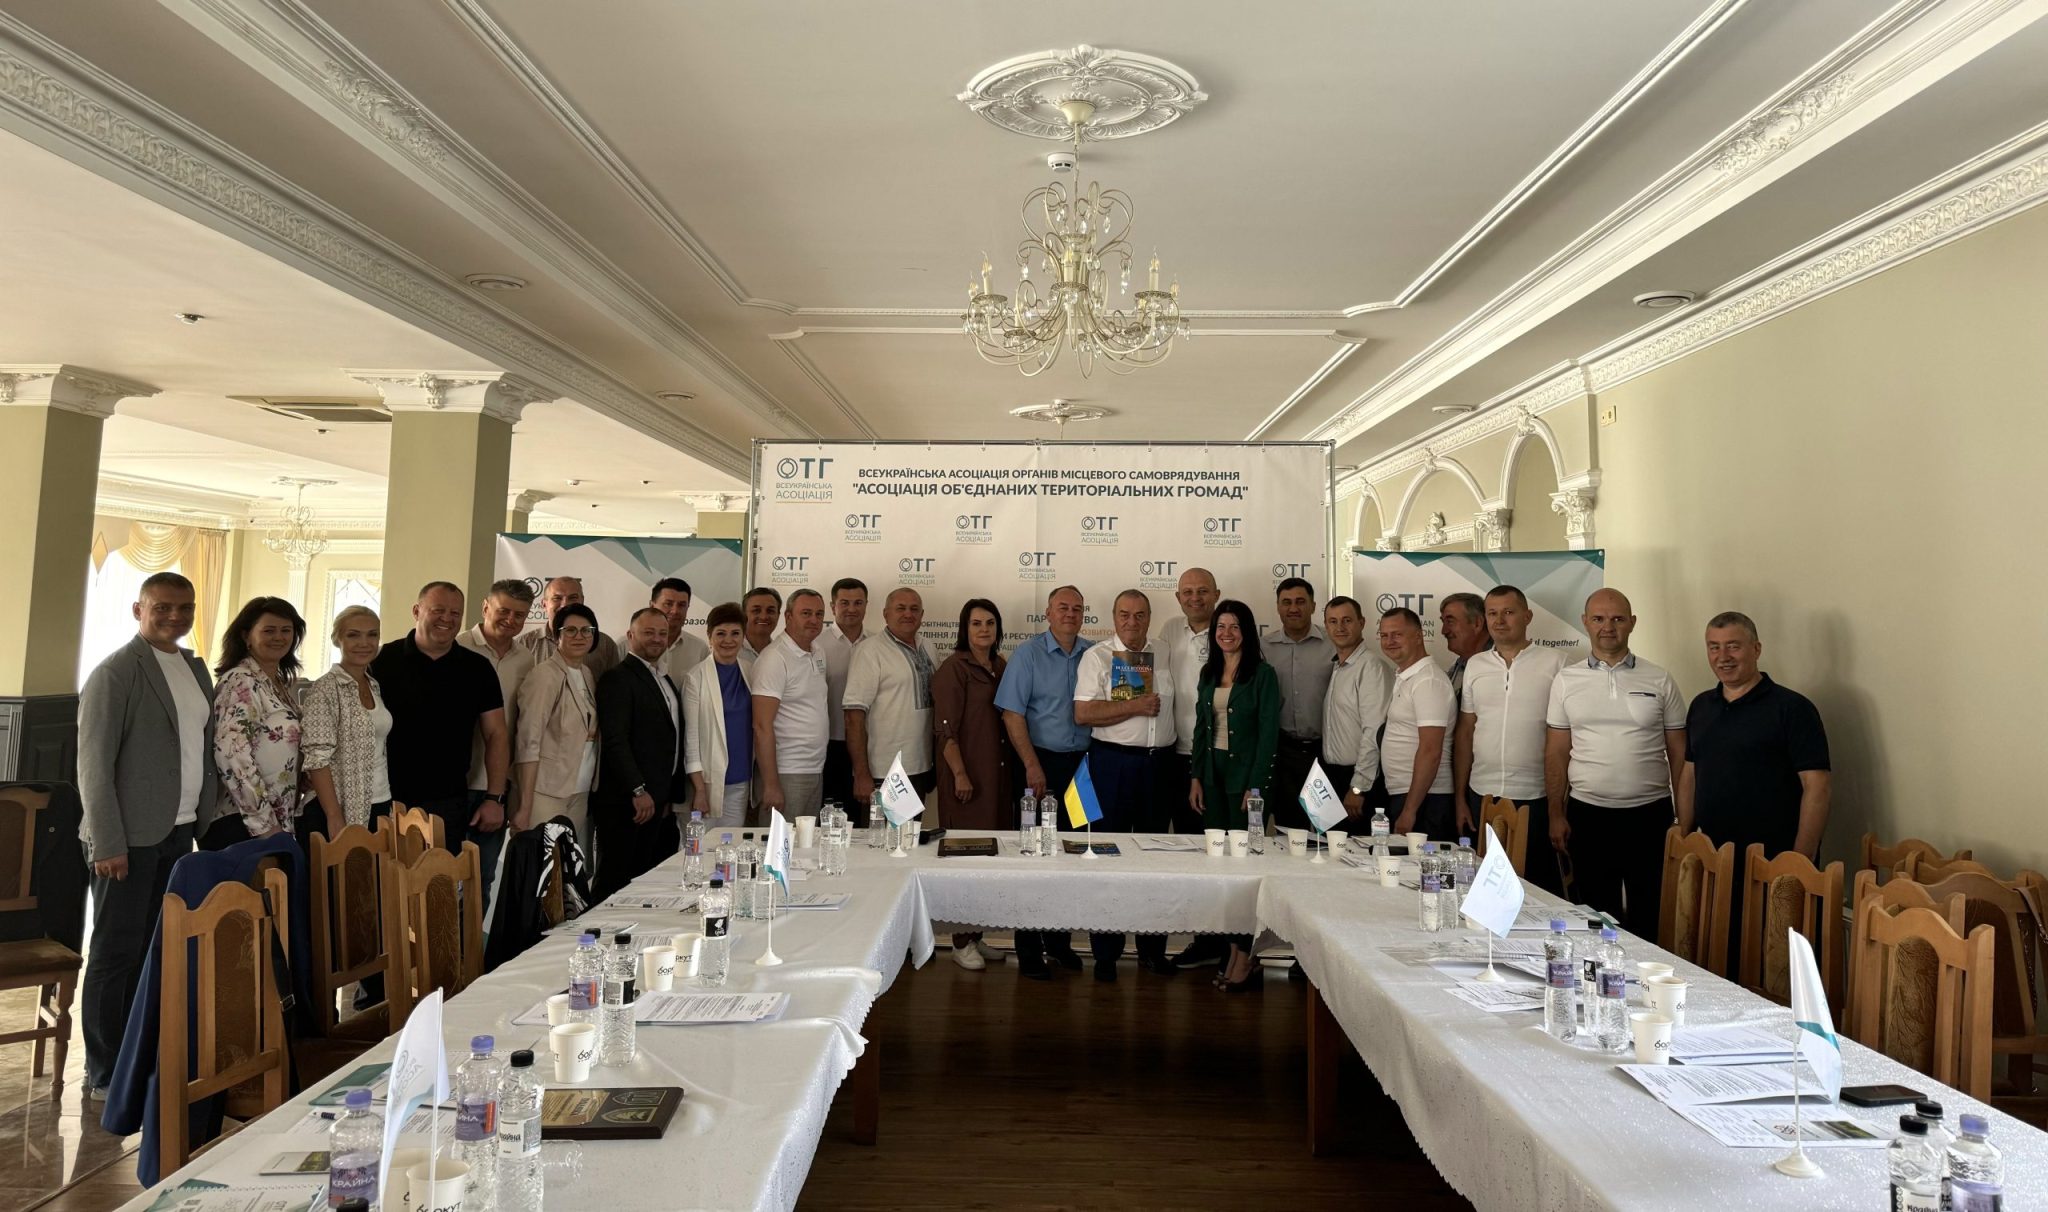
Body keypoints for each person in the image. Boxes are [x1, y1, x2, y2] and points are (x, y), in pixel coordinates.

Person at [78, 572, 219, 1096]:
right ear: (139, 610)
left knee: (152, 949)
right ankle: (104, 1071)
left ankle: (138, 1058)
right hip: (128, 839)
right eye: (163, 607)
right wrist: (107, 842)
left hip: (179, 831)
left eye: (185, 608)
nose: (175, 617)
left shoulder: (193, 667)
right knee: (115, 953)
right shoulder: (115, 671)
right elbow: (93, 766)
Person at [1545, 589, 1686, 938]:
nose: (1608, 627)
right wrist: (1555, 813)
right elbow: (1557, 751)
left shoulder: (1660, 679)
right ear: (1585, 623)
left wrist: (1684, 819)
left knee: (1649, 915)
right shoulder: (1566, 680)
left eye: (1618, 619)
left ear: (1632, 623)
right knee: (1597, 917)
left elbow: (1680, 755)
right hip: (1588, 816)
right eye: (1599, 619)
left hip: (1650, 816)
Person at [371, 581, 510, 881]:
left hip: (448, 802)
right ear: (416, 611)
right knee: (385, 887)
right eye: (438, 610)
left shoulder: (478, 669)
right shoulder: (380, 662)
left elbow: (497, 735)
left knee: (440, 889)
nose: (447, 619)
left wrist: (494, 798)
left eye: (455, 613)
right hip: (385, 798)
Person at [1074, 588, 1180, 981]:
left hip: (1159, 765)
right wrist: (1135, 705)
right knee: (1108, 858)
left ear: (1149, 617)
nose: (1132, 622)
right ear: (1114, 617)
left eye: (1139, 615)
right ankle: (1105, 955)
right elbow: (1083, 713)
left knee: (1155, 859)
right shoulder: (1097, 657)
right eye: (1124, 615)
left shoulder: (1165, 651)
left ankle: (1152, 951)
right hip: (1112, 765)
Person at [993, 585, 1093, 980]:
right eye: (1062, 607)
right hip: (1040, 766)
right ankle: (1029, 948)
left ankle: (1059, 942)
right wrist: (1032, 765)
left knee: (1072, 855)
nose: (1070, 613)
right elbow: (1012, 714)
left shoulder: (1094, 654)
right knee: (1034, 856)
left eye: (1077, 608)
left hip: (1083, 769)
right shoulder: (1028, 655)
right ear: (1048, 614)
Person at [1188, 599, 1279, 991]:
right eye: (1220, 627)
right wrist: (1196, 776)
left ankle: (1246, 955)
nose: (1226, 634)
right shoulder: (1209, 672)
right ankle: (1232, 952)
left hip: (1246, 784)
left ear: (1247, 632)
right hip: (1213, 779)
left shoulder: (1263, 674)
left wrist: (1256, 787)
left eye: (1234, 627)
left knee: (1245, 872)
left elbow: (1268, 734)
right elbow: (1201, 728)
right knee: (1221, 870)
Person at [1454, 585, 1567, 893]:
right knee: (1485, 890)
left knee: (1534, 891)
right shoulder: (1476, 664)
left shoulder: (1557, 663)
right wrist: (1461, 797)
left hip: (1536, 796)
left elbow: (1565, 739)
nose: (1500, 620)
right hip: (1482, 794)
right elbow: (1466, 732)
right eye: (1492, 613)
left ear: (1527, 616)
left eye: (1508, 612)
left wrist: (1557, 809)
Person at [932, 598, 1013, 971]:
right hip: (967, 777)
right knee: (965, 860)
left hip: (996, 777)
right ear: (965, 629)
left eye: (990, 623)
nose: (984, 629)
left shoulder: (1000, 666)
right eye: (976, 623)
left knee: (988, 859)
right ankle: (960, 941)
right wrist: (960, 774)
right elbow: (945, 729)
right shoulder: (954, 668)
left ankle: (977, 935)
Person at [591, 608, 683, 896]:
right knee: (615, 880)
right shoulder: (617, 678)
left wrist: (667, 794)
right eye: (648, 632)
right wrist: (637, 789)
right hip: (628, 802)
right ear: (630, 635)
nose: (657, 639)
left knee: (644, 881)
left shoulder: (662, 677)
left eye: (662, 633)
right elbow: (615, 741)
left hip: (657, 800)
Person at [206, 596, 307, 850]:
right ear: (246, 636)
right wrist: (265, 825)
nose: (279, 637)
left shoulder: (276, 683)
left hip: (274, 819)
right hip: (242, 822)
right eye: (269, 630)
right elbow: (231, 753)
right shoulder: (242, 680)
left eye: (286, 630)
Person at [514, 603, 602, 851]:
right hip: (545, 791)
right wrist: (525, 804)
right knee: (542, 865)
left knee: (568, 866)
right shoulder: (544, 675)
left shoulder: (586, 674)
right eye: (570, 630)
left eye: (586, 630)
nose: (579, 636)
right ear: (556, 636)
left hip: (580, 788)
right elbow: (528, 742)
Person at [457, 578, 538, 844]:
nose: (510, 619)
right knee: (445, 864)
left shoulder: (526, 659)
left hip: (499, 784)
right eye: (504, 611)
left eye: (519, 615)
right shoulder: (457, 647)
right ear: (485, 607)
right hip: (456, 781)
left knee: (485, 865)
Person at [302, 605, 393, 836]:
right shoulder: (325, 689)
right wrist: (334, 816)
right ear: (337, 639)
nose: (364, 643)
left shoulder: (373, 685)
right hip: (338, 808)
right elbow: (317, 759)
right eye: (353, 635)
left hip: (379, 799)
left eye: (372, 635)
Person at [845, 587, 938, 808]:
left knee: (911, 830)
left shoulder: (928, 646)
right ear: (886, 614)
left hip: (922, 765)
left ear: (922, 614)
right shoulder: (870, 651)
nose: (908, 614)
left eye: (914, 609)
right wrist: (861, 773)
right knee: (887, 831)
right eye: (901, 608)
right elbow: (853, 717)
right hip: (886, 771)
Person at [1378, 607, 1456, 840]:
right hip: (1409, 794)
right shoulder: (1407, 676)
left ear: (1419, 636)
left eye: (1397, 634)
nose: (1389, 641)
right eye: (1384, 635)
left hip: (1426, 800)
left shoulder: (1428, 681)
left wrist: (1410, 810)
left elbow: (1431, 750)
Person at [752, 588, 830, 819]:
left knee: (805, 840)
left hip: (815, 768)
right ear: (788, 617)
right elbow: (761, 726)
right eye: (806, 613)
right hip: (785, 771)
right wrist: (771, 784)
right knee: (780, 840)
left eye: (819, 614)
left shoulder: (818, 651)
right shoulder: (774, 658)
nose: (814, 620)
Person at [1263, 577, 1333, 829]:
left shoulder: (1333, 644)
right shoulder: (1263, 648)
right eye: (1287, 602)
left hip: (1324, 752)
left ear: (1313, 606)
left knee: (1328, 830)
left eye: (1300, 601)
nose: (1293, 608)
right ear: (1278, 607)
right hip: (1284, 753)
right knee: (1291, 831)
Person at [1158, 567, 1219, 834]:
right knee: (1184, 832)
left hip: (1216, 753)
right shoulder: (1169, 629)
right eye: (1188, 592)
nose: (1195, 598)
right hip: (1176, 752)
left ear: (1216, 594)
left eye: (1203, 591)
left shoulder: (1228, 630)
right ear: (1178, 597)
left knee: (1215, 832)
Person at [1321, 596, 1390, 822]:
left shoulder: (1371, 667)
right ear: (1326, 626)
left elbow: (1374, 732)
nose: (1340, 627)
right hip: (1334, 778)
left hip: (1359, 783)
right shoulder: (1338, 667)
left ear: (1362, 623)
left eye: (1347, 620)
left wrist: (1359, 788)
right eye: (1333, 621)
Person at [683, 603, 751, 828]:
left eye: (735, 633)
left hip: (741, 780)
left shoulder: (751, 671)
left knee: (731, 845)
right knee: (702, 846)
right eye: (721, 633)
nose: (728, 640)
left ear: (743, 636)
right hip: (708, 783)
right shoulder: (695, 678)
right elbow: (691, 739)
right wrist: (700, 789)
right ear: (709, 636)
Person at [814, 577, 869, 815]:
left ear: (866, 605)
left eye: (858, 603)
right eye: (844, 603)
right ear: (832, 606)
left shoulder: (876, 643)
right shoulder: (817, 645)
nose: (851, 609)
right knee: (831, 817)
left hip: (868, 744)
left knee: (864, 817)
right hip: (830, 745)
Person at [518, 576, 621, 680]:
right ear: (544, 605)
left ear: (582, 601)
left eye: (573, 598)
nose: (565, 604)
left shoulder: (605, 644)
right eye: (557, 598)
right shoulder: (524, 644)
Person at [651, 577, 710, 678]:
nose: (675, 611)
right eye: (668, 604)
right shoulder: (627, 646)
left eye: (681, 605)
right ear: (652, 606)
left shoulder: (700, 649)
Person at [1440, 592, 1491, 701]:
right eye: (1443, 622)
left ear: (1477, 623)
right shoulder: (1458, 665)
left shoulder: (1500, 665)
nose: (1444, 631)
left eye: (1450, 622)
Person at [739, 586, 782, 672]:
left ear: (778, 615)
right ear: (743, 614)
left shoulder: (782, 653)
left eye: (770, 611)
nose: (763, 617)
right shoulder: (730, 651)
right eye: (756, 610)